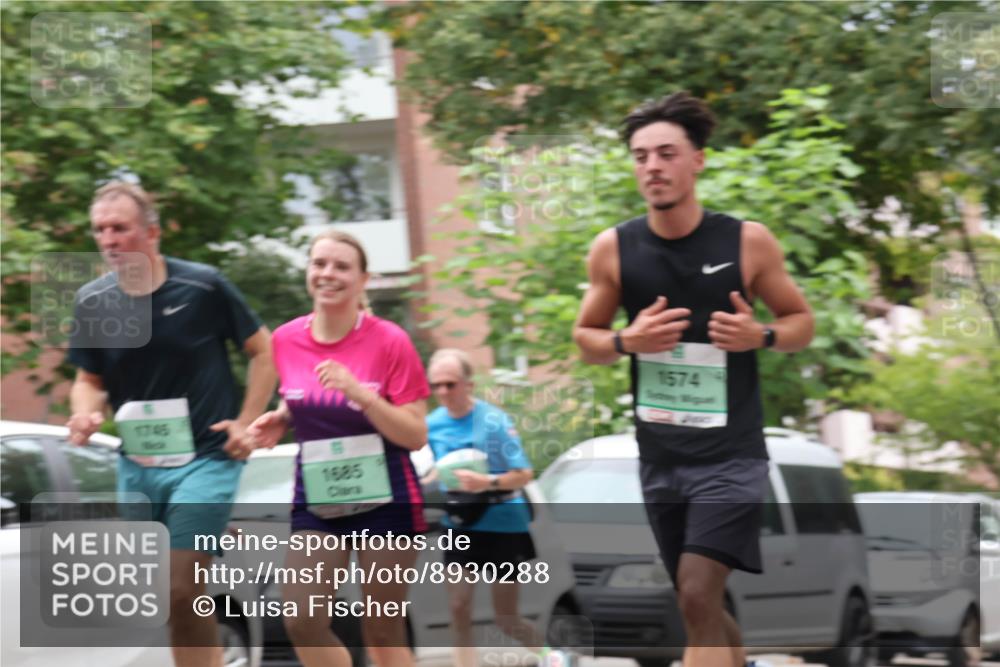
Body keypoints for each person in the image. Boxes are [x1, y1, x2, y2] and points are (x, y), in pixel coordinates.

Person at [572, 92, 815, 667]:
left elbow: (801, 322)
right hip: (661, 455)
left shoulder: (746, 241)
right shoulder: (614, 248)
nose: (651, 166)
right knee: (697, 606)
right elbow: (586, 339)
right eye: (639, 157)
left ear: (697, 160)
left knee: (696, 590)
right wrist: (626, 342)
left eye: (665, 153)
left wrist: (763, 337)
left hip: (731, 454)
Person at [66, 181, 276, 667]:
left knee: (179, 583)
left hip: (207, 459)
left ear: (152, 233)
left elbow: (263, 351)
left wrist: (246, 422)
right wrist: (85, 410)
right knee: (171, 595)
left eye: (120, 228)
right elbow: (88, 378)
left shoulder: (203, 286)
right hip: (138, 466)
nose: (109, 239)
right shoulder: (93, 302)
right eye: (100, 230)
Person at [247, 230, 429, 667]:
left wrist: (363, 395)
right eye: (319, 263)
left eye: (341, 266)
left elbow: (416, 434)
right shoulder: (286, 340)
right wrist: (282, 417)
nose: (328, 274)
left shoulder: (389, 341)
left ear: (363, 279)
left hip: (387, 498)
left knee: (382, 630)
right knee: (301, 618)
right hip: (319, 496)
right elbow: (300, 393)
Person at [424, 348, 547, 667]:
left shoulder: (493, 421)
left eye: (450, 384)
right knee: (458, 606)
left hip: (503, 522)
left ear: (469, 384)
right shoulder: (432, 424)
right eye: (436, 385)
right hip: (459, 524)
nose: (443, 392)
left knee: (506, 618)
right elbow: (438, 468)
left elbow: (523, 474)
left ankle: (554, 657)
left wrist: (486, 482)